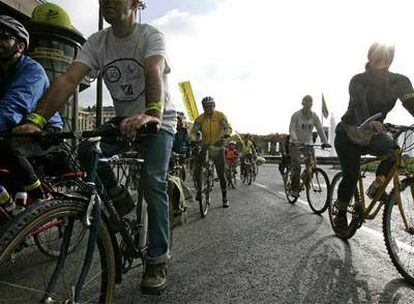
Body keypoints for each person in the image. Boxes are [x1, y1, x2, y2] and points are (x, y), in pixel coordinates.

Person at [14, 0, 175, 295]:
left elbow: (154, 69)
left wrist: (151, 113)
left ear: (136, 3)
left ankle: (157, 258)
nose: (106, 4)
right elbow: (68, 79)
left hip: (158, 118)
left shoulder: (151, 36)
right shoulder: (97, 42)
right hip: (125, 118)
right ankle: (119, 199)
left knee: (153, 181)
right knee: (87, 151)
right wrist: (37, 119)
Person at [333, 42, 414, 233]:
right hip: (348, 134)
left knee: (394, 152)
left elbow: (411, 102)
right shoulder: (358, 80)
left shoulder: (399, 81)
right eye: (378, 53)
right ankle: (341, 212)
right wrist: (370, 122)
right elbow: (360, 106)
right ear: (370, 56)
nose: (383, 57)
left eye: (387, 54)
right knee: (351, 175)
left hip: (373, 134)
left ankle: (376, 187)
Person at [0, 15, 63, 201]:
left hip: (43, 130)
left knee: (7, 147)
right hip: (14, 128)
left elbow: (12, 109)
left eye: (3, 36)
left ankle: (39, 196)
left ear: (20, 46)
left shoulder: (32, 71)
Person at [191, 96, 232, 207]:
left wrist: (226, 133)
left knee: (221, 173)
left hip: (218, 145)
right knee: (198, 166)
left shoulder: (220, 116)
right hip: (206, 145)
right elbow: (194, 131)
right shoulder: (200, 118)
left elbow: (226, 127)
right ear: (203, 107)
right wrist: (194, 139)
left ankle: (225, 198)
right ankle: (200, 189)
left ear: (214, 106)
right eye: (206, 106)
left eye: (211, 106)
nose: (209, 108)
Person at [288, 95, 330, 197]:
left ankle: (304, 176)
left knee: (312, 165)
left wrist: (325, 142)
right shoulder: (296, 115)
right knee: (297, 166)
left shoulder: (314, 116)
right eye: (306, 101)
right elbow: (292, 129)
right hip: (296, 144)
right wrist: (295, 140)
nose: (308, 103)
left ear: (312, 104)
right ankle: (294, 188)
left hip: (308, 144)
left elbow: (320, 129)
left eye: (310, 101)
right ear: (302, 103)